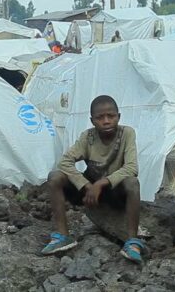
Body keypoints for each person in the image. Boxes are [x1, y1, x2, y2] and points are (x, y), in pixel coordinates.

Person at [41, 95, 145, 263]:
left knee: (132, 183)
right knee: (55, 177)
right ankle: (63, 235)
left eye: (111, 116)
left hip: (114, 192)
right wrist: (87, 186)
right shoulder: (88, 137)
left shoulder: (127, 133)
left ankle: (132, 241)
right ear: (92, 120)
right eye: (100, 117)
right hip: (89, 193)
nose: (106, 121)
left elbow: (132, 168)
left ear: (119, 117)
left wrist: (101, 183)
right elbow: (65, 162)